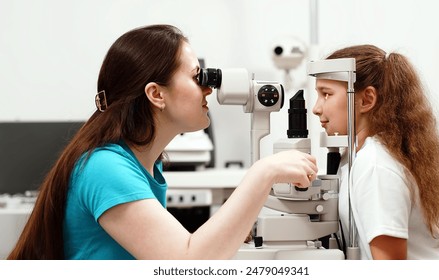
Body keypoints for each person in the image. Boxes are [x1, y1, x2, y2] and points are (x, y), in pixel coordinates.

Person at [7, 24, 318, 260]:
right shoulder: (106, 167)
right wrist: (263, 173)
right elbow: (185, 263)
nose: (208, 89)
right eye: (198, 77)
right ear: (156, 94)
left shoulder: (145, 164)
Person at [311, 44, 439, 259]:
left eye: (326, 94)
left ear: (366, 100)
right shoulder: (354, 158)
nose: (316, 108)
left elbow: (390, 268)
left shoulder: (376, 166)